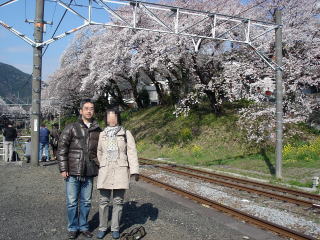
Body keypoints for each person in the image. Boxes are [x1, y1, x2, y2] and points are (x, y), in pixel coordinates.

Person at [57, 99, 101, 239]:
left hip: (89, 171)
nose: (89, 111)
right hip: (73, 171)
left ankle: (83, 227)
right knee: (72, 202)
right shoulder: (71, 127)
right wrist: (63, 168)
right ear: (81, 111)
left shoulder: (98, 130)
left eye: (92, 108)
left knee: (86, 202)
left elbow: (101, 151)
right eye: (86, 108)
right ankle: (72, 227)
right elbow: (62, 149)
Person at [96, 109, 139, 240]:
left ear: (118, 118)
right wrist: (103, 162)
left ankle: (115, 228)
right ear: (106, 119)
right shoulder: (102, 134)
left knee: (118, 201)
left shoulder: (126, 133)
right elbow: (99, 152)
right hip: (106, 170)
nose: (112, 119)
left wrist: (134, 170)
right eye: (109, 117)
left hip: (120, 170)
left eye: (114, 116)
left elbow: (132, 152)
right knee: (103, 201)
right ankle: (102, 227)